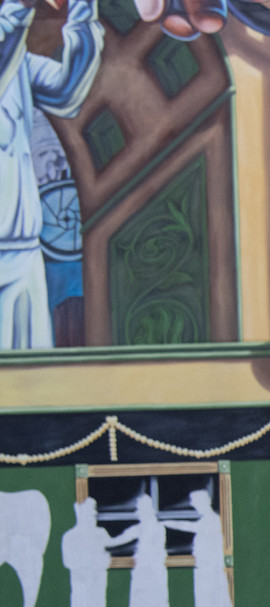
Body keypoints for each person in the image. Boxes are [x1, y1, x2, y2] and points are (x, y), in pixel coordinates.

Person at [1, 0, 102, 348]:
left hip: (23, 254)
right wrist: (19, 8)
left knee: (32, 383)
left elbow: (68, 91)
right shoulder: (8, 51)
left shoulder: (18, 63)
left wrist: (83, 11)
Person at [162, 488, 234, 607]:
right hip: (205, 575)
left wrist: (167, 522)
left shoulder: (211, 521)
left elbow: (189, 527)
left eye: (196, 503)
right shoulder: (207, 521)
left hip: (211, 577)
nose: (194, 507)